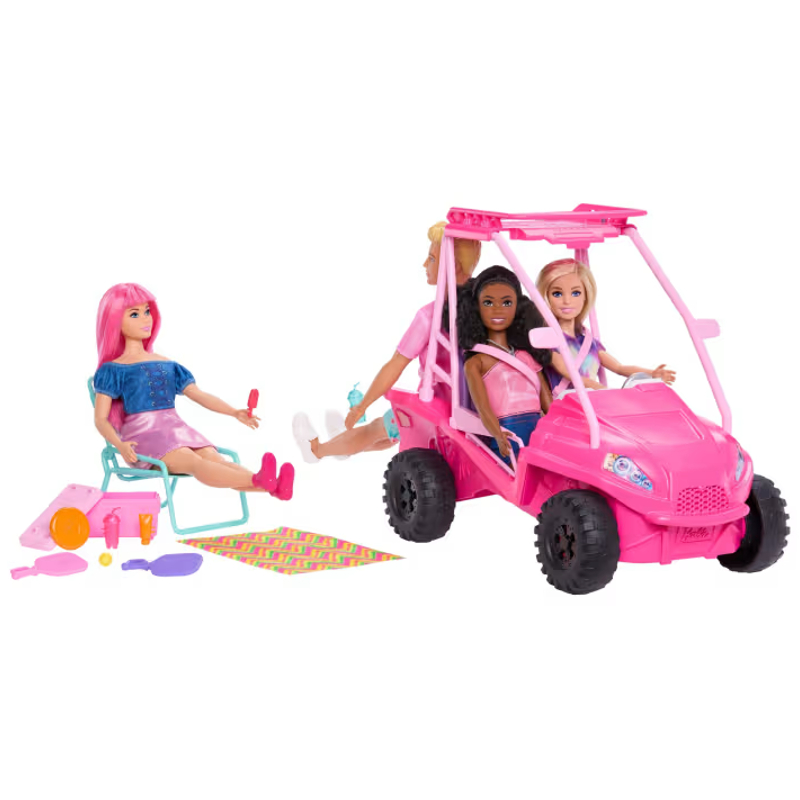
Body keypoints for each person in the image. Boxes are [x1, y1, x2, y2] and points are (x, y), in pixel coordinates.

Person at [292, 221, 481, 462]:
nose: (425, 264)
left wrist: (362, 406)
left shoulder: (428, 318)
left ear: (452, 266)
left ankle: (317, 450)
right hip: (472, 411)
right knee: (391, 431)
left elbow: (395, 365)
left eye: (432, 259)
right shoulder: (486, 310)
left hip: (436, 409)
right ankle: (341, 444)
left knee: (377, 430)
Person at [92, 283, 294, 499]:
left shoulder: (169, 365)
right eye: (134, 314)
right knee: (193, 462)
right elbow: (100, 419)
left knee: (215, 459)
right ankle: (262, 482)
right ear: (115, 321)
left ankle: (272, 486)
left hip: (176, 429)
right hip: (143, 437)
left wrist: (234, 412)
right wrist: (120, 445)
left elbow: (199, 395)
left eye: (147, 311)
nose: (145, 319)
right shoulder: (113, 370)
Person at [535, 258, 676, 396]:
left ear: (586, 296)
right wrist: (605, 391)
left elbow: (619, 368)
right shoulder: (550, 341)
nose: (567, 301)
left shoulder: (588, 342)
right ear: (545, 298)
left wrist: (652, 374)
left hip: (593, 402)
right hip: (566, 404)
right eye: (557, 294)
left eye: (576, 293)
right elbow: (572, 375)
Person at [458, 266, 552, 464]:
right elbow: (483, 408)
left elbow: (548, 402)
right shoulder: (476, 362)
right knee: (517, 470)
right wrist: (498, 434)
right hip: (507, 432)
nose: (498, 309)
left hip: (538, 429)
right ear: (477, 308)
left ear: (518, 307)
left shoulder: (526, 356)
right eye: (488, 302)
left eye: (507, 302)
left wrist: (557, 426)